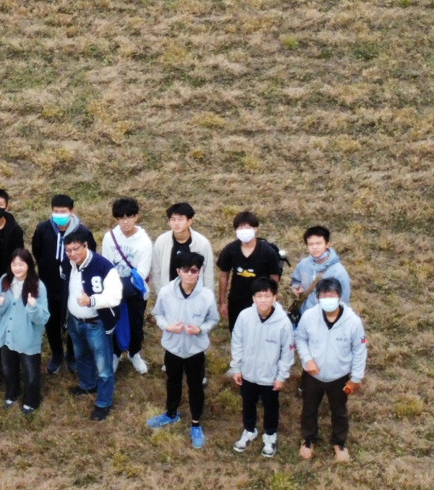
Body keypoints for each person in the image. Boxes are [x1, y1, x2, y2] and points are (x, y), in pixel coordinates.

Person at [147, 251, 220, 448]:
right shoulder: (165, 292)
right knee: (173, 381)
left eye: (194, 270)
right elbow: (158, 314)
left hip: (195, 350)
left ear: (200, 271)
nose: (189, 274)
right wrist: (167, 327)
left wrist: (200, 329)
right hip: (172, 348)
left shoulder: (206, 296)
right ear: (178, 271)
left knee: (196, 385)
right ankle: (171, 413)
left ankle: (196, 423)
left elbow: (213, 319)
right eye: (185, 270)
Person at [295, 278, 367, 462]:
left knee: (339, 409)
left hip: (339, 376)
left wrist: (356, 378)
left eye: (331, 295)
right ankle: (309, 439)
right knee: (309, 408)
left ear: (339, 296)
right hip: (312, 374)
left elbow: (359, 350)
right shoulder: (309, 316)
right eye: (323, 295)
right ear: (318, 297)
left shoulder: (353, 322)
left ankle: (339, 442)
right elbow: (300, 339)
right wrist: (307, 359)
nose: (328, 299)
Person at [229, 277, 295, 458]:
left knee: (270, 405)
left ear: (274, 297)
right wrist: (236, 367)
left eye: (267, 296)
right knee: (248, 403)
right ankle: (249, 430)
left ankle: (270, 434)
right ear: (253, 298)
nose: (263, 300)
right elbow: (237, 342)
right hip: (248, 373)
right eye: (259, 296)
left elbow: (287, 352)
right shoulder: (244, 316)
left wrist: (282, 376)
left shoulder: (283, 323)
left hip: (270, 376)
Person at [31, 194, 96, 375]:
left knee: (73, 319)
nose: (59, 215)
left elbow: (90, 255)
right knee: (51, 321)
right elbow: (37, 250)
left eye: (63, 212)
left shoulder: (82, 232)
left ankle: (73, 355)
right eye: (56, 211)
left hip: (74, 285)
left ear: (72, 212)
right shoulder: (43, 229)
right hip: (49, 283)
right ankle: (57, 353)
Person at [62, 232, 122, 421]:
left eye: (75, 249)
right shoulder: (68, 264)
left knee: (103, 365)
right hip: (75, 321)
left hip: (96, 323)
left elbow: (115, 296)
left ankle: (104, 402)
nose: (72, 254)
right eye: (68, 250)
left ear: (86, 245)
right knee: (81, 356)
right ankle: (87, 384)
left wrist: (91, 301)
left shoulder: (104, 266)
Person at [0, 248, 50, 414]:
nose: (17, 268)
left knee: (30, 372)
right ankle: (13, 391)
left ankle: (32, 400)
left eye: (21, 264)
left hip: (27, 338)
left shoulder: (38, 286)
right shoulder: (4, 280)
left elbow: (43, 318)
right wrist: (0, 303)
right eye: (14, 264)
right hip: (7, 335)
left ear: (29, 265)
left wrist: (33, 307)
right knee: (9, 369)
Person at [100, 196, 153, 375]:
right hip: (113, 288)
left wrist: (121, 287)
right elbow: (106, 265)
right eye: (121, 218)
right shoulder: (110, 237)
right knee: (113, 321)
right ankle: (115, 354)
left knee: (135, 323)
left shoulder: (144, 241)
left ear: (135, 217)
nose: (125, 221)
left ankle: (134, 353)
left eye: (129, 217)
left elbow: (142, 273)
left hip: (134, 291)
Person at [217, 211, 283, 330]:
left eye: (247, 227)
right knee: (237, 331)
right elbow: (223, 275)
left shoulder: (267, 251)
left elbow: (274, 277)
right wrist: (222, 302)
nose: (244, 231)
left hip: (260, 300)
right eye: (240, 228)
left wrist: (272, 300)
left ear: (256, 228)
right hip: (236, 300)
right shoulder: (230, 250)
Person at [151, 202, 215, 294]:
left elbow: (208, 273)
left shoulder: (202, 243)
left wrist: (207, 297)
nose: (176, 223)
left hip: (194, 295)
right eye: (173, 219)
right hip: (169, 294)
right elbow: (156, 271)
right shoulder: (161, 241)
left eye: (181, 219)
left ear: (189, 221)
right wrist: (161, 294)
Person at [290, 226, 351, 315]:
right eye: (310, 244)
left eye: (318, 243)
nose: (314, 247)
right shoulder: (304, 264)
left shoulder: (339, 272)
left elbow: (343, 300)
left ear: (327, 244)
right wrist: (296, 288)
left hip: (327, 317)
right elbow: (295, 281)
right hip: (305, 314)